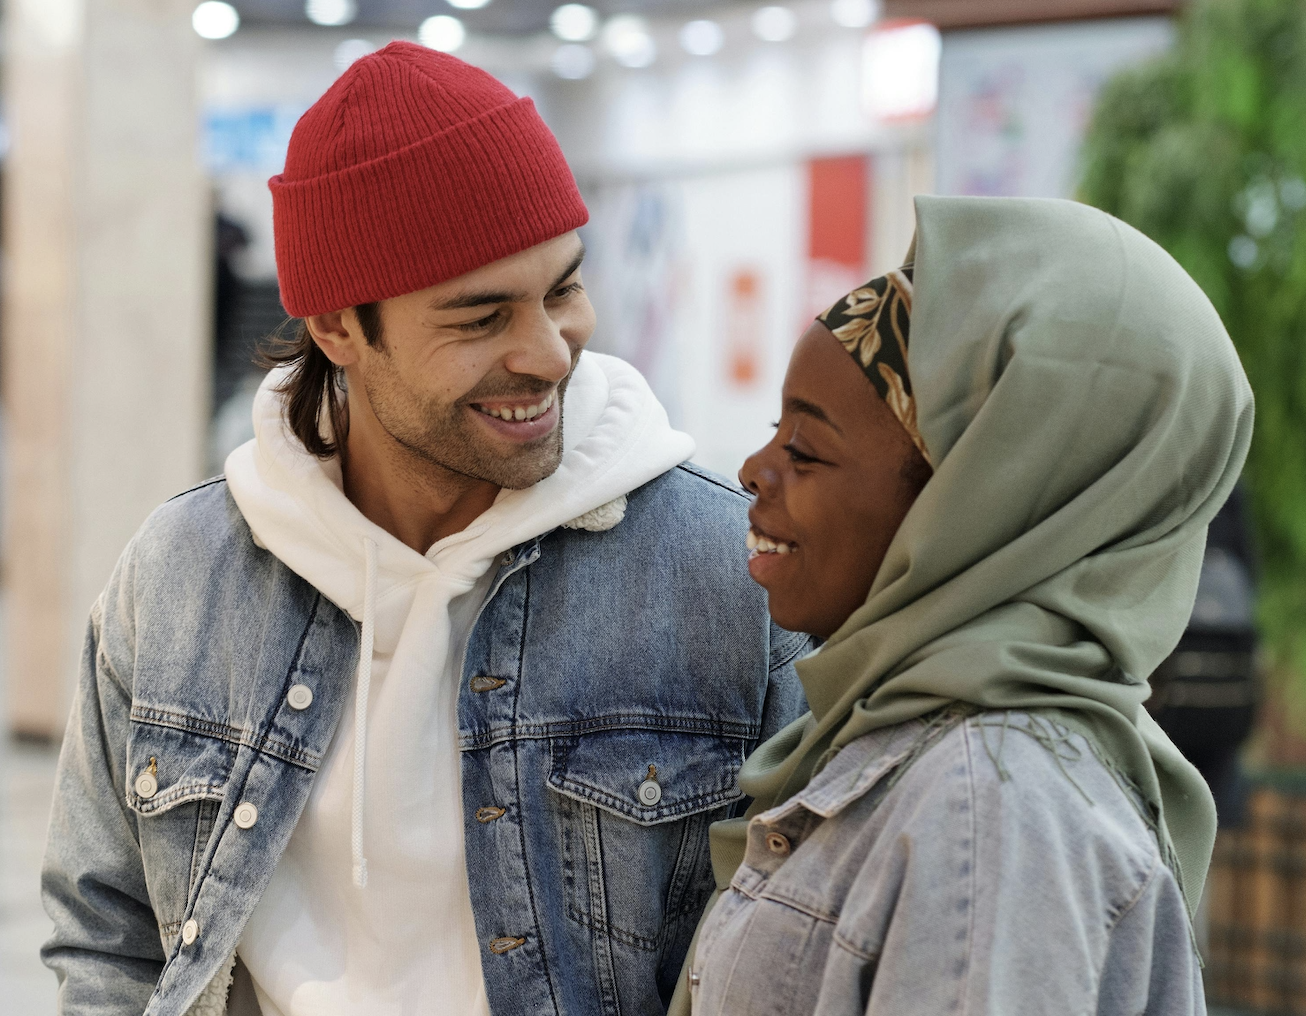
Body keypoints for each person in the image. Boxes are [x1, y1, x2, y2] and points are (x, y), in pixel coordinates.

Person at [40, 43, 808, 1016]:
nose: (547, 352)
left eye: (562, 288)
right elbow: (106, 930)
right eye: (480, 317)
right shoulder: (182, 573)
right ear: (337, 328)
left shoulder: (724, 571)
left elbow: (791, 945)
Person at [676, 196, 1253, 1016]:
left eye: (804, 449)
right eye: (775, 429)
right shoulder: (910, 740)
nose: (750, 468)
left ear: (975, 503)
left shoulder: (992, 809)